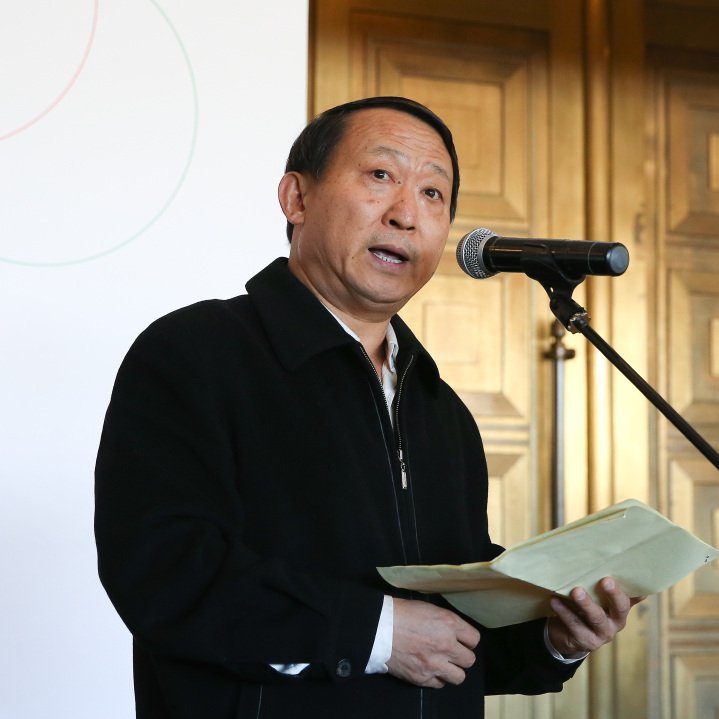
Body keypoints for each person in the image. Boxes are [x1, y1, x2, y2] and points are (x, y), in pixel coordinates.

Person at [95, 97, 642, 719]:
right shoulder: (195, 353)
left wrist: (553, 639)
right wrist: (374, 633)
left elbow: (452, 637)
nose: (407, 214)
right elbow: (163, 572)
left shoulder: (442, 411)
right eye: (381, 175)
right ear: (297, 198)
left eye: (433, 194)